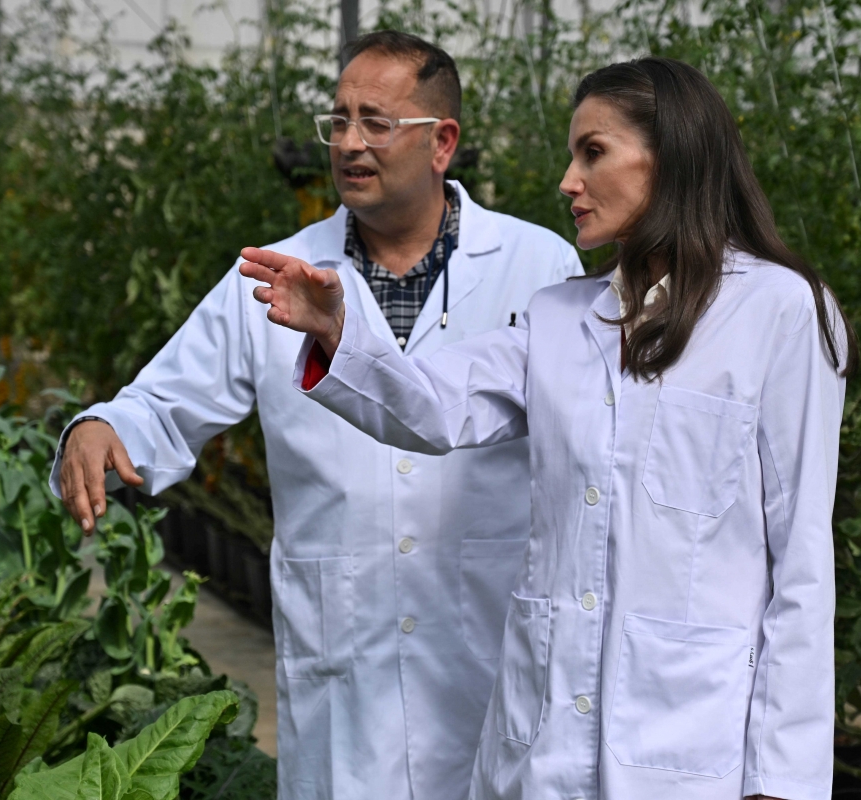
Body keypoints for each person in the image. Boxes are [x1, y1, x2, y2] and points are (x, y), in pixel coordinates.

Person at [240, 57, 858, 800]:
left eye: (593, 152)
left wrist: (783, 780)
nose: (568, 180)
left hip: (693, 746)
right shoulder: (561, 317)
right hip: (542, 744)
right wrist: (340, 335)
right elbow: (434, 405)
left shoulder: (780, 312)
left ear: (674, 157)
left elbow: (800, 560)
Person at [52, 30, 581, 800]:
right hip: (347, 671)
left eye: (376, 122)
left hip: (489, 664)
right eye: (337, 121)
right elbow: (164, 401)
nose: (350, 144)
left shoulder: (540, 269)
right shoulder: (273, 275)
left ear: (442, 143)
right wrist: (98, 429)